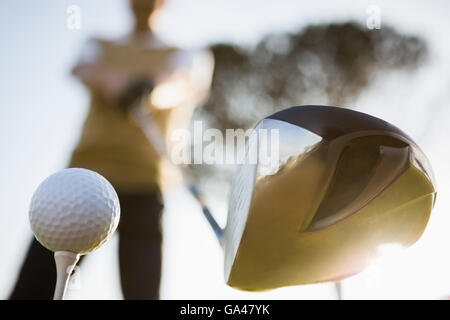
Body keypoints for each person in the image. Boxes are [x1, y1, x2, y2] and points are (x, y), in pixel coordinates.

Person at [10, 0, 214, 299]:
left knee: (142, 294)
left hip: (146, 180)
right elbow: (84, 69)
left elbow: (180, 82)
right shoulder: (98, 43)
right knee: (30, 291)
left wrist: (148, 89)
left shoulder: (187, 52)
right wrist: (116, 82)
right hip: (81, 180)